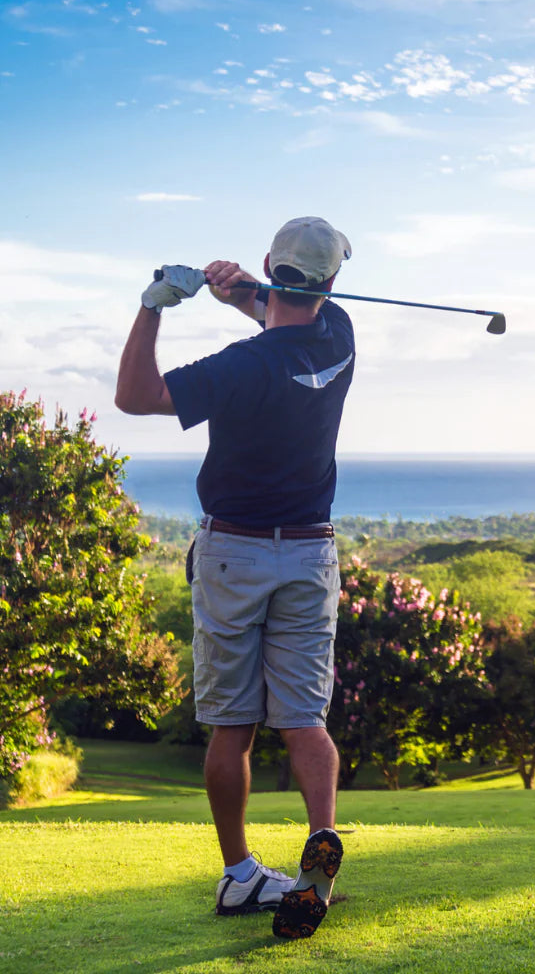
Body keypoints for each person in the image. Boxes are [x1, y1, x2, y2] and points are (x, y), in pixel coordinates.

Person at [115, 216, 356, 940]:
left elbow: (135, 396)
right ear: (332, 282)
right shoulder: (340, 334)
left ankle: (241, 876)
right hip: (310, 554)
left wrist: (155, 303)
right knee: (304, 721)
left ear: (269, 266)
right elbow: (279, 311)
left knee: (233, 725)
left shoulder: (238, 368)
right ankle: (321, 840)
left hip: (235, 554)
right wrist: (237, 294)